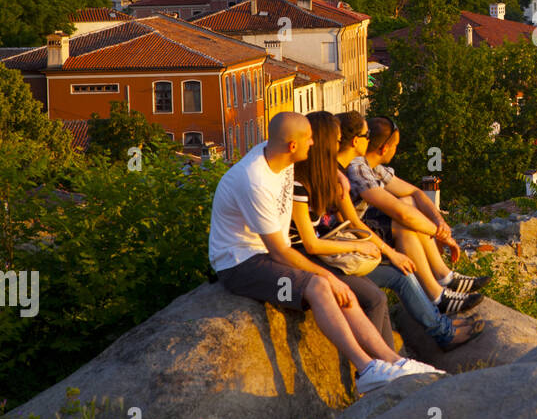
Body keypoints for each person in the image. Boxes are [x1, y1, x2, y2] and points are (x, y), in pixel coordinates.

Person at [207, 111, 438, 394]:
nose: (313, 143)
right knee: (321, 285)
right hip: (240, 261)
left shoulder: (278, 157)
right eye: (309, 139)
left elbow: (316, 170)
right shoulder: (254, 181)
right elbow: (280, 252)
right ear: (293, 146)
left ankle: (393, 362)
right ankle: (366, 369)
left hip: (266, 251)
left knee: (346, 292)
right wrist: (328, 277)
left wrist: (338, 175)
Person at [293, 112, 483, 352]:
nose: (368, 139)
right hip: (322, 260)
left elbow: (350, 221)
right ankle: (437, 327)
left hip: (336, 253)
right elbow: (316, 242)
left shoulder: (333, 174)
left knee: (387, 287)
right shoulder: (309, 181)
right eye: (365, 135)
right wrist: (386, 251)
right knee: (386, 287)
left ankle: (398, 357)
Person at [338, 112, 489, 316]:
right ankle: (437, 295)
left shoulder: (370, 166)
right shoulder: (358, 167)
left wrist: (439, 222)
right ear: (384, 148)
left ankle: (444, 277)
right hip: (352, 234)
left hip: (360, 225)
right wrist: (441, 234)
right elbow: (402, 215)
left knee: (408, 202)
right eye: (396, 145)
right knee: (404, 223)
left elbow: (415, 192)